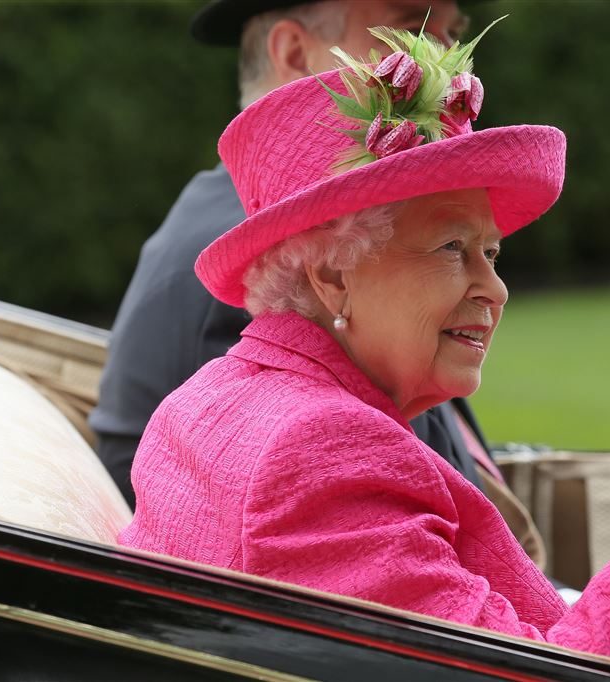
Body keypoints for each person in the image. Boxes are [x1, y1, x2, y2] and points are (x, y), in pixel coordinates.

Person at [118, 26, 610, 679]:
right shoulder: (318, 451)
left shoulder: (207, 399)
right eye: (452, 248)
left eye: (491, 253)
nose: (494, 289)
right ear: (333, 275)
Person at [89, 1, 523, 549]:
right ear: (296, 53)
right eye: (410, 29)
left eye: (449, 34)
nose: (442, 59)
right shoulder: (281, 259)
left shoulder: (272, 223)